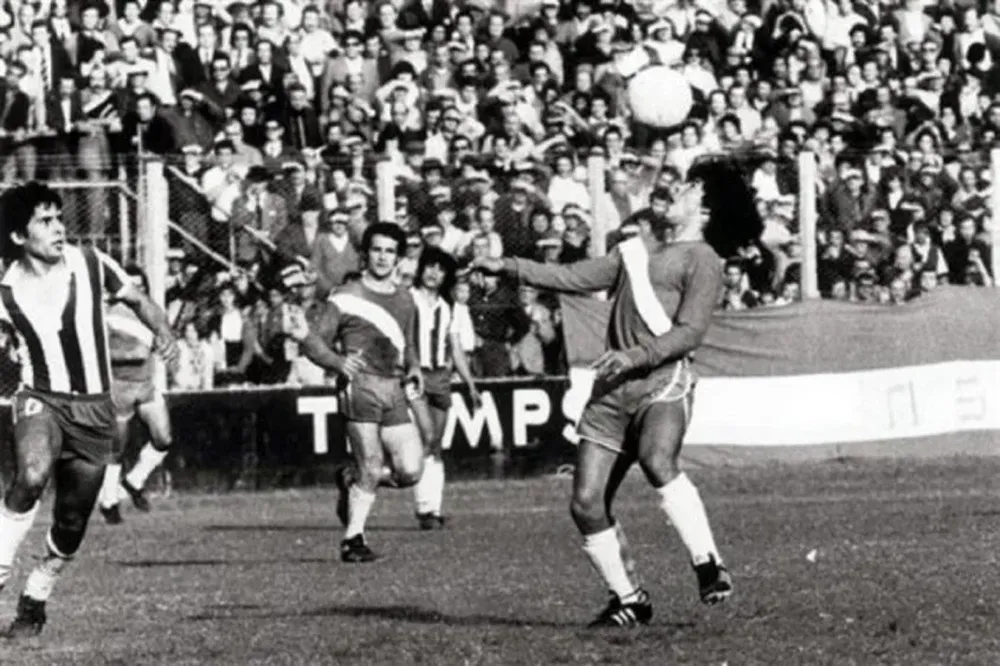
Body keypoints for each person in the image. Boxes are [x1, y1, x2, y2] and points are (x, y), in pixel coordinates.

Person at [472, 160, 761, 628]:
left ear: (704, 206)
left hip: (661, 379)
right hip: (611, 389)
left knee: (656, 459)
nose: (677, 191)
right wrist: (507, 266)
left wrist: (635, 356)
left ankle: (708, 563)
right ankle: (630, 598)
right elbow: (572, 277)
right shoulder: (635, 252)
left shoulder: (703, 259)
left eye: (688, 187)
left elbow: (689, 333)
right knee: (585, 502)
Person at [0, 182, 178, 637]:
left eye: (59, 218)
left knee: (73, 518)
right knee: (33, 474)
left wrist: (164, 331)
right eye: (45, 221)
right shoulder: (4, 288)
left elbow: (139, 301)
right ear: (19, 236)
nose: (58, 228)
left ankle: (36, 595)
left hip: (96, 409)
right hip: (40, 396)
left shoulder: (92, 262)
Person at [287, 223, 424, 563]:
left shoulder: (406, 299)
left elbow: (408, 344)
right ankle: (353, 539)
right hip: (359, 387)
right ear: (365, 254)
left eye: (390, 251)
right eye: (377, 249)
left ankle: (351, 478)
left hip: (393, 388)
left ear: (398, 257)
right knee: (373, 464)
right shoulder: (346, 295)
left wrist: (416, 368)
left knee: (410, 471)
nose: (382, 257)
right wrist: (337, 362)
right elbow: (312, 340)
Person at [407, 247, 481, 530]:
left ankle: (431, 510)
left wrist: (470, 384)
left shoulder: (450, 306)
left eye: (440, 268)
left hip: (440, 377)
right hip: (415, 376)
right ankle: (423, 507)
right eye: (429, 266)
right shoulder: (407, 299)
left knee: (435, 444)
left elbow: (456, 348)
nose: (433, 273)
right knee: (425, 437)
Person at [97, 266, 174, 524]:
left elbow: (161, 342)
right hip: (119, 388)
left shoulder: (150, 314)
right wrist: (134, 354)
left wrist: (165, 346)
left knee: (163, 439)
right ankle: (109, 502)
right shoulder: (109, 315)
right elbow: (104, 354)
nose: (136, 290)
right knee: (117, 448)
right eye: (132, 285)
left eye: (141, 285)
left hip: (146, 385)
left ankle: (134, 481)